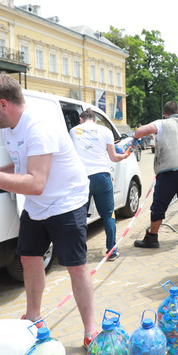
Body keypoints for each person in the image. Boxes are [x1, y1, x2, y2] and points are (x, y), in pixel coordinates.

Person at [0, 74, 98, 348]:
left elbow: (36, 183)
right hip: (37, 205)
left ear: (3, 104)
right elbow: (22, 168)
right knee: (29, 259)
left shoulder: (38, 127)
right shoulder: (9, 128)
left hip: (66, 202)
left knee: (76, 268)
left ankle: (91, 330)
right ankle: (34, 318)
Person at [70, 109, 133, 261]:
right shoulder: (105, 130)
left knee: (80, 218)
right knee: (108, 215)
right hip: (102, 176)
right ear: (95, 120)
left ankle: (79, 253)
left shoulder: (73, 131)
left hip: (82, 179)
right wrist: (125, 155)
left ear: (81, 119)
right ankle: (112, 250)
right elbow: (113, 157)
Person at [131, 101, 178, 249]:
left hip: (168, 173)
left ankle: (152, 238)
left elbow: (140, 132)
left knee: (159, 206)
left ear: (165, 113)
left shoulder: (161, 123)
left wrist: (134, 136)